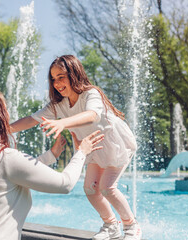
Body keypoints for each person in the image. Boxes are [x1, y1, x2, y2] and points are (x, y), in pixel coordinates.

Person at [0, 88, 104, 240]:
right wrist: (81, 152)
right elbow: (65, 184)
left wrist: (51, 156)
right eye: (5, 111)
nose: (8, 114)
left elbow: (13, 176)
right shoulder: (5, 157)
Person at [11, 55, 141, 240]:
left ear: (74, 74)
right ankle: (111, 225)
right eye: (53, 79)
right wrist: (6, 128)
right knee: (89, 188)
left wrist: (62, 123)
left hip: (114, 144)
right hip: (93, 147)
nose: (57, 83)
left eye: (61, 76)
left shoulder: (91, 93)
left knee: (107, 188)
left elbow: (92, 115)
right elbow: (31, 120)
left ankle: (131, 226)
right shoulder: (58, 105)